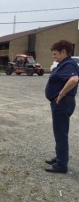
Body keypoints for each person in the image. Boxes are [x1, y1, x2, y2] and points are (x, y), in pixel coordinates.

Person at [45, 40, 79, 173]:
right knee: (59, 132)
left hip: (63, 103)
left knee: (61, 133)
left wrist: (60, 94)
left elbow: (74, 79)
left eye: (55, 54)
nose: (53, 56)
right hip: (62, 103)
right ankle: (60, 157)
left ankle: (61, 165)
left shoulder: (69, 64)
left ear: (64, 52)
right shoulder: (64, 64)